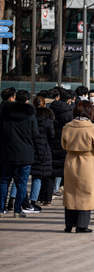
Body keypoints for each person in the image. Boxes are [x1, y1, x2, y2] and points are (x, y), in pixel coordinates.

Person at [62, 101, 94, 233]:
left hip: (70, 161)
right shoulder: (91, 128)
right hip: (87, 162)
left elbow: (63, 145)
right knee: (86, 194)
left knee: (70, 193)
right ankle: (82, 225)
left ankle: (69, 225)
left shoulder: (67, 127)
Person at [0, 90, 38, 218]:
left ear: (15, 98)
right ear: (27, 100)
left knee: (4, 181)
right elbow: (35, 134)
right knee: (22, 183)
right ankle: (17, 210)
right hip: (25, 152)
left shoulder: (6, 114)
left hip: (8, 151)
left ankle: (1, 209)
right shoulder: (30, 115)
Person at [30, 96, 55, 209]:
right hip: (44, 149)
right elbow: (52, 135)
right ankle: (33, 201)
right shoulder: (48, 119)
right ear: (44, 105)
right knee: (38, 177)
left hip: (30, 148)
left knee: (23, 176)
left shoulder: (29, 117)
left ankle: (13, 200)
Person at [49, 88, 75, 199]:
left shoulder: (51, 109)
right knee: (61, 166)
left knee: (52, 166)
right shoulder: (69, 113)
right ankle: (56, 188)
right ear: (69, 100)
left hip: (52, 140)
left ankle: (50, 191)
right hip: (64, 141)